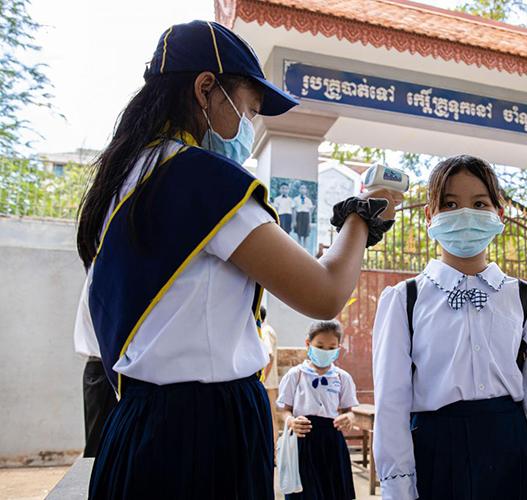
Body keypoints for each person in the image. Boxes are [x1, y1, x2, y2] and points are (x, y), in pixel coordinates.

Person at [75, 20, 399, 499]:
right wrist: (364, 214)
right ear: (206, 88)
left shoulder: (124, 179)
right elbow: (325, 292)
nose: (249, 126)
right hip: (204, 430)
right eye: (247, 108)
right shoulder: (202, 179)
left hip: (138, 421)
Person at [372, 155, 527, 500]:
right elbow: (391, 403)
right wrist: (398, 488)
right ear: (430, 216)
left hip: (511, 450)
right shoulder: (405, 298)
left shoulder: (522, 297)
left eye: (479, 203)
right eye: (449, 204)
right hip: (436, 452)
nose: (464, 214)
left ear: (499, 215)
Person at [277, 320, 358, 500]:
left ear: (338, 348)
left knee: (332, 490)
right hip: (303, 439)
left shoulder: (342, 377)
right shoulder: (295, 375)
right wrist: (291, 422)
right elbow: (284, 410)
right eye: (320, 346)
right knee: (306, 492)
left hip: (332, 441)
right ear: (308, 344)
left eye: (331, 347)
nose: (325, 351)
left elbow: (348, 410)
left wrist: (349, 418)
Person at [74, 278, 117, 458]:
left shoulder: (102, 271)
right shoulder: (102, 275)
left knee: (104, 446)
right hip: (103, 367)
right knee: (98, 448)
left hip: (103, 367)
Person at [260, 305, 279, 434]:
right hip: (268, 382)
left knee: (271, 417)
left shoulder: (265, 331)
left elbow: (269, 355)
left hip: (267, 383)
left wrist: (263, 379)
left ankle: (273, 452)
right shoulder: (266, 330)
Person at [294, 184, 315, 248]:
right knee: (299, 234)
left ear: (306, 190)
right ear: (299, 190)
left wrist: (310, 222)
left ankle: (304, 249)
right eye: (301, 188)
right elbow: (294, 210)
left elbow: (310, 212)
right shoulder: (296, 199)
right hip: (299, 216)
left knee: (306, 234)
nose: (303, 190)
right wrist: (294, 221)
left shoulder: (308, 200)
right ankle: (299, 248)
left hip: (306, 216)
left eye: (304, 188)